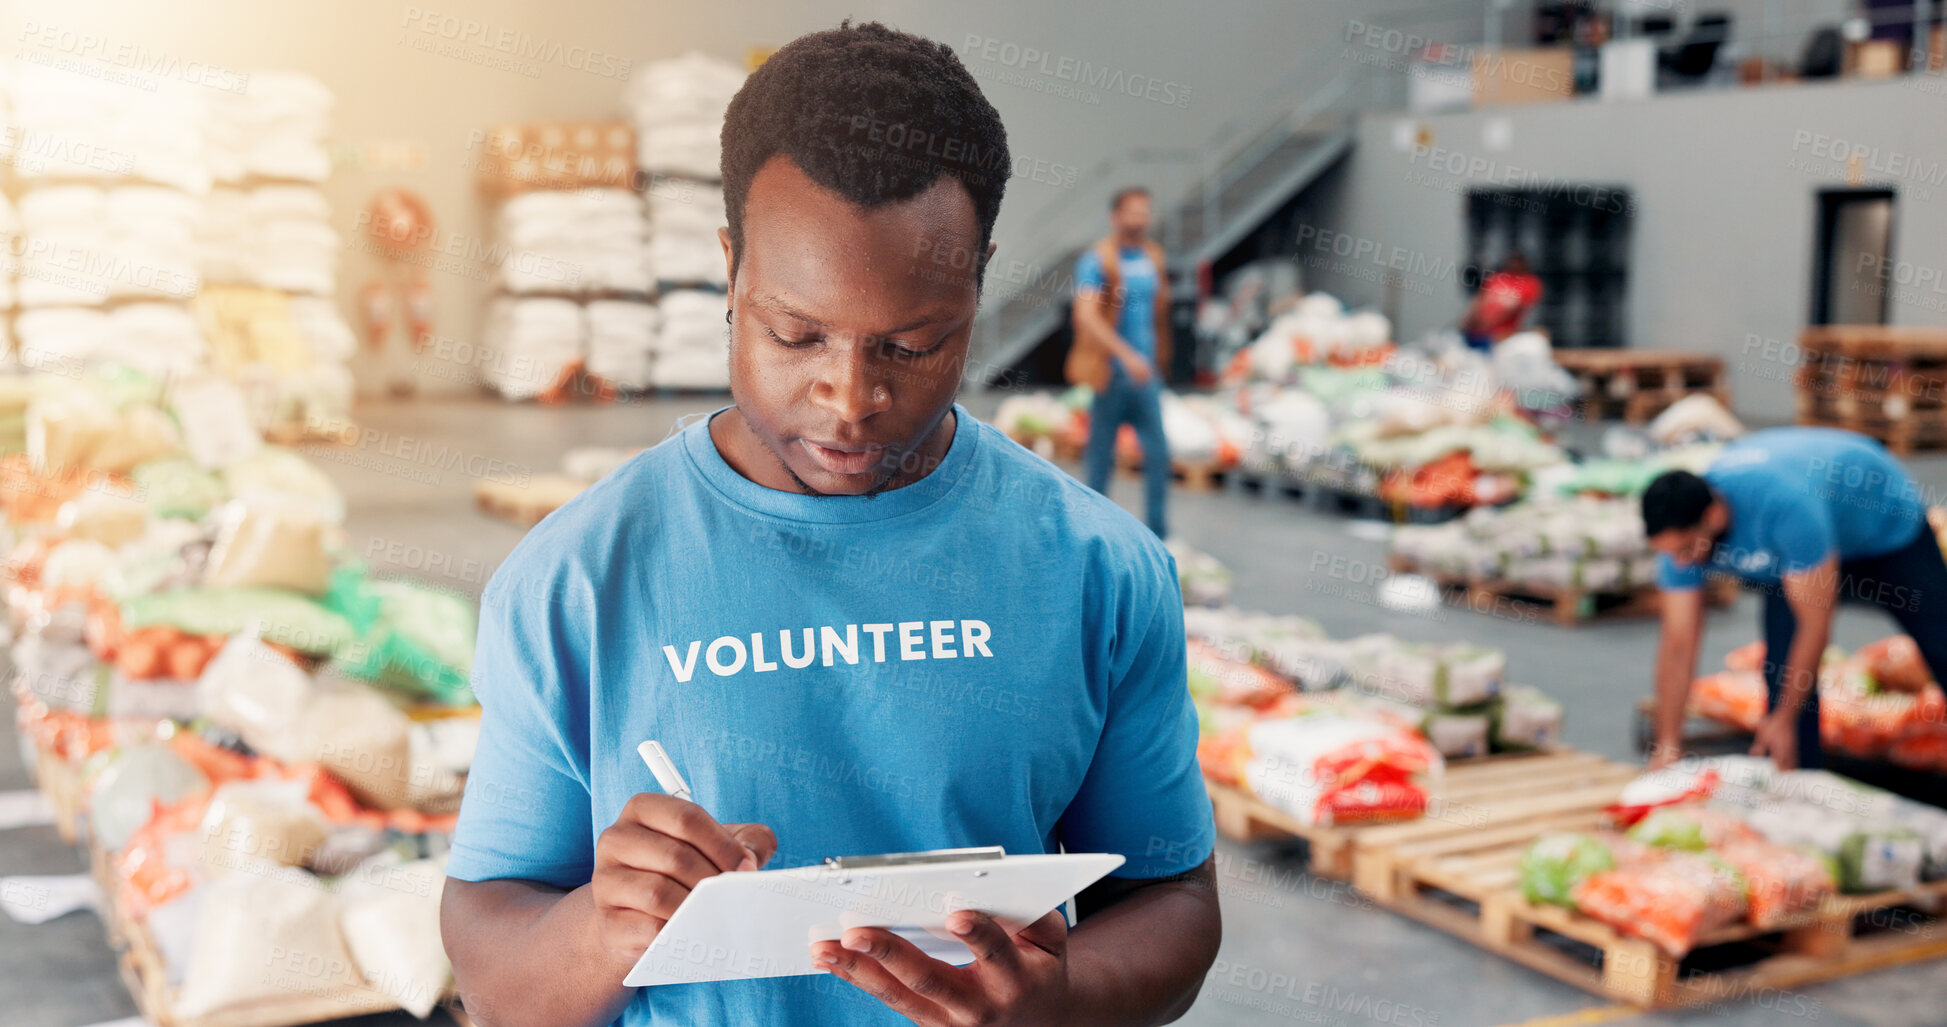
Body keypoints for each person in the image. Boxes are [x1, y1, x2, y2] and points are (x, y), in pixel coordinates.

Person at [440, 22, 1220, 1027]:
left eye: (912, 344)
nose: (849, 398)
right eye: (794, 333)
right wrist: (603, 926)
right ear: (729, 271)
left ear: (978, 278)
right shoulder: (576, 580)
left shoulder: (1098, 569)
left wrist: (1063, 1000)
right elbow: (494, 972)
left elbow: (1174, 897)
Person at [1642, 427, 1946, 771]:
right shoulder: (1682, 541)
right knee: (1781, 668)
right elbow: (1678, 645)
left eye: (1684, 550)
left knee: (1940, 639)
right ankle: (1802, 785)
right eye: (1670, 555)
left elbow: (1815, 625)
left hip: (1882, 525)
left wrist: (1784, 717)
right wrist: (1667, 743)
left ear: (1712, 517)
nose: (1679, 563)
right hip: (1795, 552)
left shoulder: (1784, 506)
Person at [1070, 186, 1173, 538]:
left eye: (1145, 211)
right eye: (1133, 211)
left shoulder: (1153, 257)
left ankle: (1159, 534)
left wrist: (1154, 359)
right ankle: (1094, 535)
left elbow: (1157, 315)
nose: (1140, 219)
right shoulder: (1098, 259)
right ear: (1116, 217)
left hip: (1147, 376)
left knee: (1158, 454)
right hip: (1112, 375)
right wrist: (1125, 356)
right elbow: (1086, 316)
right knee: (1101, 458)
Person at [1460, 252, 1542, 353]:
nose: (1514, 265)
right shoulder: (1497, 278)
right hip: (1475, 332)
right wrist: (1467, 320)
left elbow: (1514, 308)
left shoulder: (1529, 283)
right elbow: (1480, 299)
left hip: (1501, 337)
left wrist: (1488, 323)